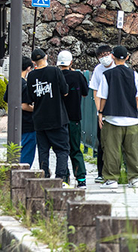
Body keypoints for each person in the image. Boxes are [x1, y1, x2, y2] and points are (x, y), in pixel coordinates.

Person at [95, 44, 138, 187]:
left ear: (112, 57)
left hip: (112, 117)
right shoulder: (134, 74)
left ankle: (111, 179)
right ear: (127, 57)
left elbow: (103, 96)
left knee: (111, 150)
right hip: (131, 118)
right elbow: (137, 97)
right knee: (132, 150)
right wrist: (133, 113)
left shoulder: (107, 75)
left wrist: (100, 113)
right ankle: (135, 178)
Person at [26, 48, 71, 181]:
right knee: (62, 149)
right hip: (57, 117)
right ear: (46, 57)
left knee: (43, 151)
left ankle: (44, 175)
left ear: (34, 62)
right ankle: (61, 177)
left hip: (39, 118)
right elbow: (65, 91)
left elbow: (31, 97)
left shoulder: (31, 76)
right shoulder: (55, 71)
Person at [57, 50, 89, 188]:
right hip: (74, 118)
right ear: (71, 62)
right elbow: (85, 93)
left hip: (58, 119)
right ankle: (81, 178)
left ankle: (65, 177)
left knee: (61, 150)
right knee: (75, 149)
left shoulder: (55, 76)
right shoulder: (78, 76)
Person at [88, 44, 114, 179]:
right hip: (103, 111)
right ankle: (101, 173)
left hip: (117, 109)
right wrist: (99, 111)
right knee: (102, 143)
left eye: (106, 54)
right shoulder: (98, 70)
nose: (104, 58)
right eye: (101, 56)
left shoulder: (120, 67)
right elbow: (95, 91)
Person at [19, 56, 37, 167]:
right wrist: (36, 109)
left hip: (16, 121)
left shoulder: (12, 82)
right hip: (28, 122)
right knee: (27, 149)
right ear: (28, 68)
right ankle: (24, 170)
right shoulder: (25, 85)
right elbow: (24, 106)